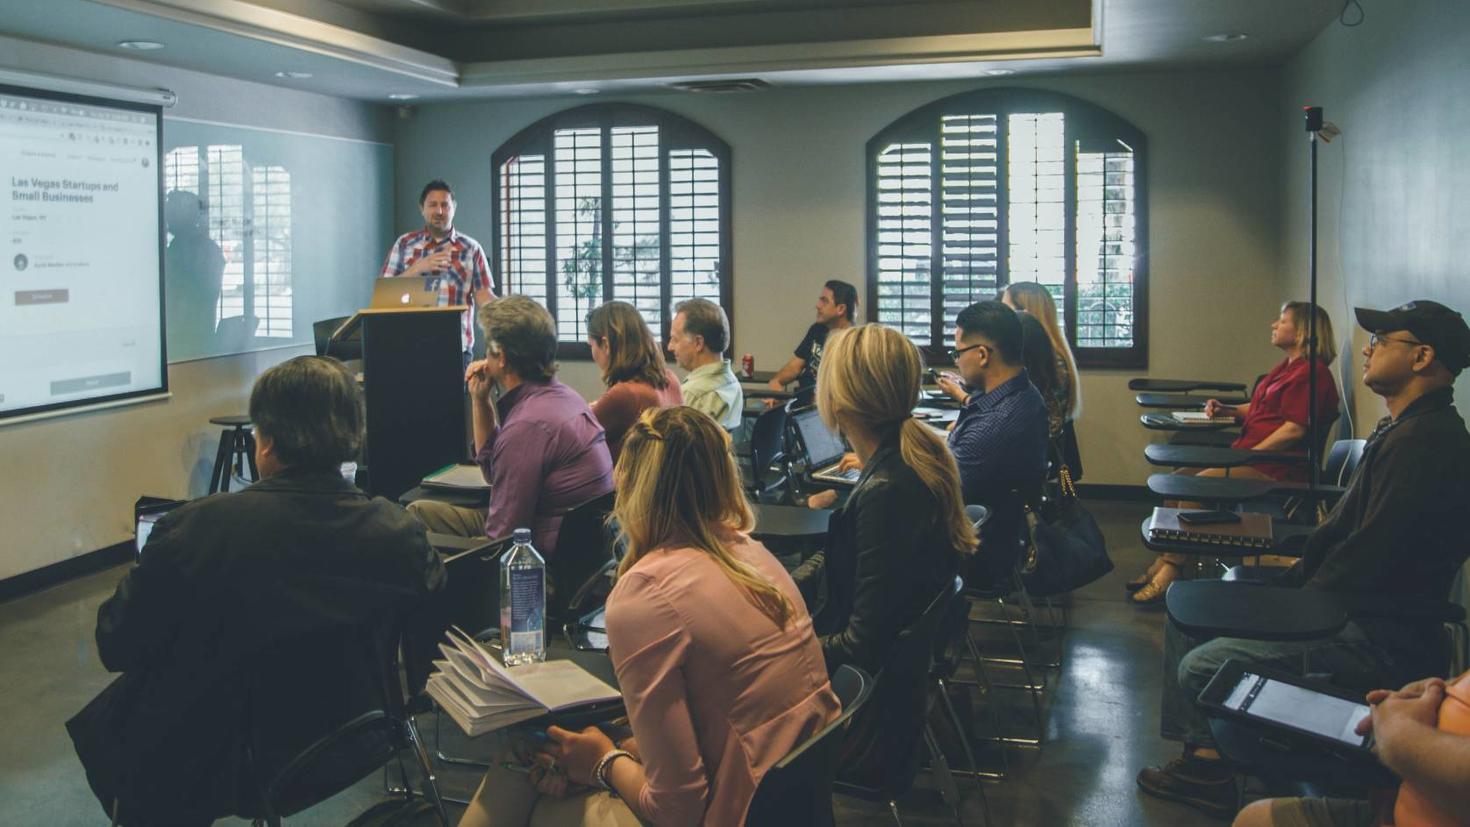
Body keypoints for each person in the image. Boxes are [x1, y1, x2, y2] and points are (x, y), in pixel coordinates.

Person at [66, 356, 446, 826]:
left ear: (264, 443)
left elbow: (116, 642)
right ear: (353, 436)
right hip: (356, 736)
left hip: (219, 764)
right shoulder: (395, 531)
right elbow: (430, 590)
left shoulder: (194, 531)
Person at [1136, 299, 1470, 820]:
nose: (1367, 348)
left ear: (1423, 356)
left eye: (1382, 340)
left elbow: (1369, 558)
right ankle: (1204, 758)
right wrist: (1284, 589)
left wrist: (1288, 605)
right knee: (1186, 610)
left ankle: (1214, 771)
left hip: (1371, 630)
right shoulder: (1401, 429)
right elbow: (1344, 540)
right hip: (1336, 601)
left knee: (1201, 664)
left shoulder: (1428, 443)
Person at [457, 406, 840, 827]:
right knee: (539, 755)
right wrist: (614, 755)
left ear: (629, 488)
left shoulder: (646, 596)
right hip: (781, 799)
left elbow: (678, 810)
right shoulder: (756, 557)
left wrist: (603, 762)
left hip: (733, 808)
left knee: (531, 781)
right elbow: (716, 724)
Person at [1129, 301, 1341, 604]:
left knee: (1194, 488)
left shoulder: (1313, 375)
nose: (1274, 325)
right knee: (1178, 480)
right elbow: (1259, 409)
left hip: (1275, 469)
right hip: (1253, 458)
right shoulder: (1287, 369)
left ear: (1302, 332)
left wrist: (1249, 455)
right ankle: (1165, 559)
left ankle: (1173, 569)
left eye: (1282, 321)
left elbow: (1294, 429)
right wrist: (1226, 409)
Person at [794, 324, 977, 673]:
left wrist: (781, 653)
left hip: (864, 689)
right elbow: (849, 554)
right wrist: (782, 588)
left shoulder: (887, 491)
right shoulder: (908, 460)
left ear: (839, 399)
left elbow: (861, 645)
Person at [407, 296, 613, 558]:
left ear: (501, 357)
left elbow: (501, 539)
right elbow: (495, 473)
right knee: (419, 512)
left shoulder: (528, 426)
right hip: (575, 552)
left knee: (415, 541)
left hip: (535, 563)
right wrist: (480, 401)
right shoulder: (565, 397)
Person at [1232, 671, 1470, 827]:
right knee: (1257, 819)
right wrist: (1438, 691)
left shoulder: (1399, 737)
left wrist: (1398, 733)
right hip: (1410, 803)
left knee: (1200, 665)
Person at [937, 300, 1050, 590]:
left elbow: (939, 491)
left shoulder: (996, 425)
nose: (956, 361)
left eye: (957, 352)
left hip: (979, 551)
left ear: (983, 355)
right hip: (1005, 535)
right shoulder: (1023, 394)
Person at [380, 179, 496, 363]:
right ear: (422, 208)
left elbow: (484, 297)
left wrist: (512, 319)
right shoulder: (404, 244)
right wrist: (418, 268)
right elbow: (384, 294)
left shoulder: (471, 249)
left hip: (456, 349)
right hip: (409, 347)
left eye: (445, 205)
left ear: (454, 208)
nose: (439, 211)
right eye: (433, 205)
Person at [585, 301, 683, 464]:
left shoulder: (624, 394)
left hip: (629, 487)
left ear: (606, 345)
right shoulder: (670, 379)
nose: (593, 353)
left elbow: (573, 441)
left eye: (592, 345)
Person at [765, 279, 858, 398]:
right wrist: (776, 382)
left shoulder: (854, 342)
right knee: (762, 414)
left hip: (824, 409)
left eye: (824, 301)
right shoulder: (817, 329)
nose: (817, 306)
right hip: (801, 400)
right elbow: (795, 366)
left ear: (840, 309)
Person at [163, 189, 225, 355]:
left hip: (185, 341)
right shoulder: (207, 249)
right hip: (194, 339)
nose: (167, 216)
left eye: (172, 210)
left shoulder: (192, 251)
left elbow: (196, 292)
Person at [667, 297, 743, 431]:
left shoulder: (692, 394)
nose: (669, 347)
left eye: (675, 339)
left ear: (698, 343)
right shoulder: (732, 382)